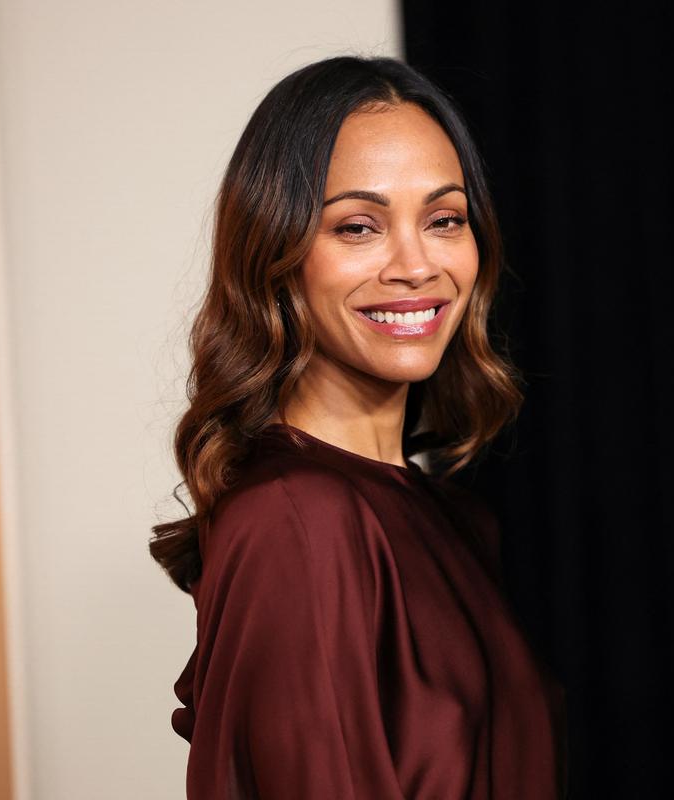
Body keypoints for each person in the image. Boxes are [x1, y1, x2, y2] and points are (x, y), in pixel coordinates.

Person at [149, 55, 568, 799]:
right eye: (358, 226)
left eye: (445, 219)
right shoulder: (301, 519)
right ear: (276, 256)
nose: (416, 265)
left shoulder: (448, 515)